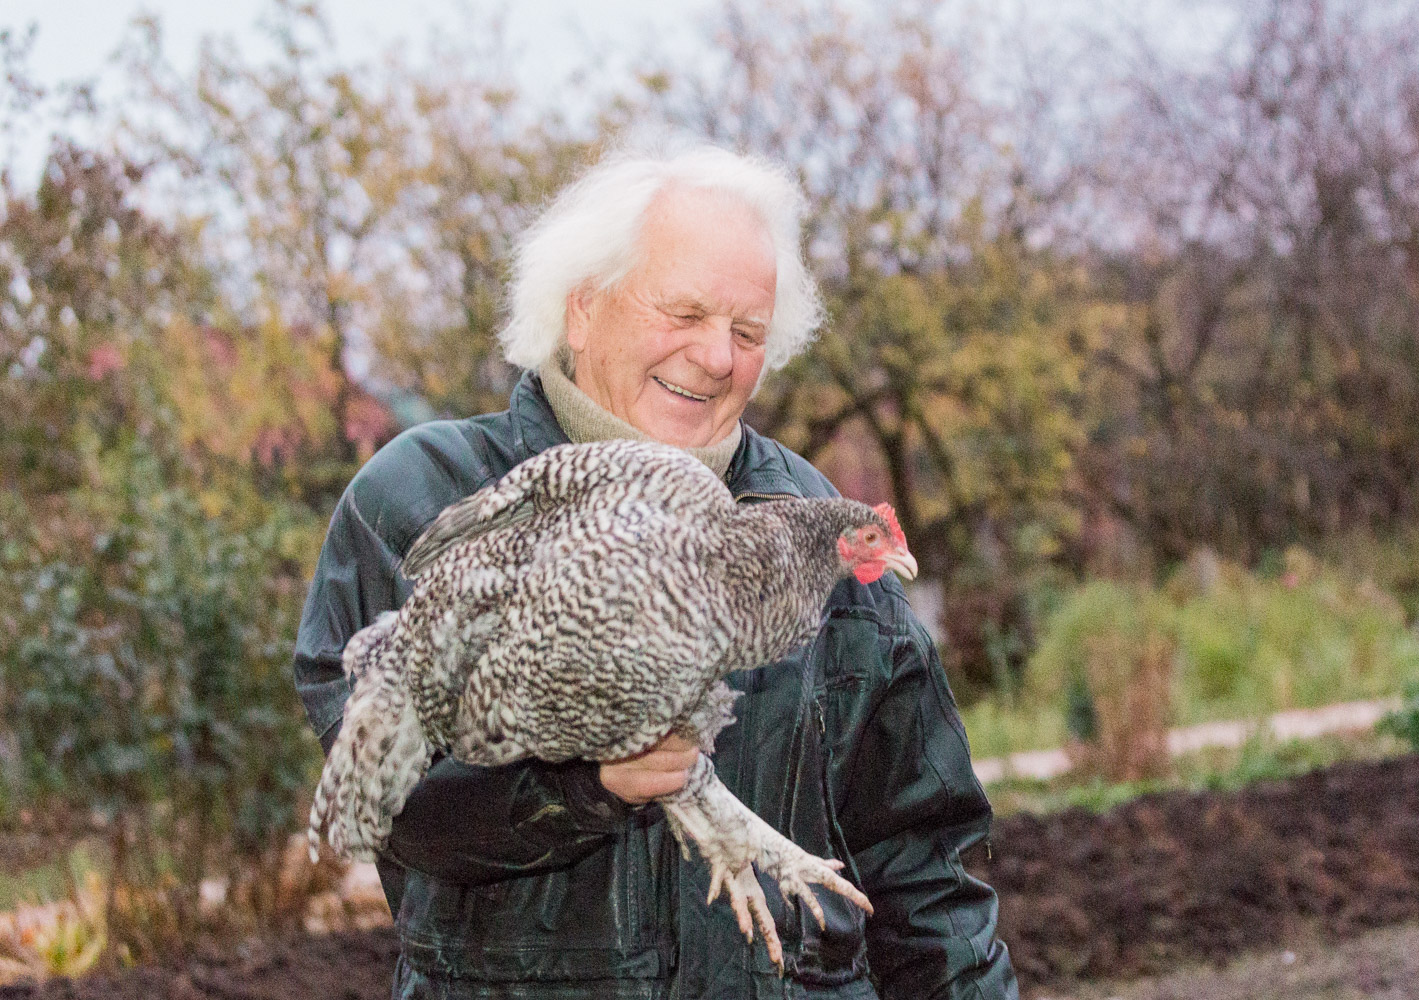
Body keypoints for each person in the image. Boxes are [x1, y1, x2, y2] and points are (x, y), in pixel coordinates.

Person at [293, 144, 1019, 1000]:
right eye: (684, 312)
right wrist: (579, 787)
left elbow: (923, 867)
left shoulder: (817, 525)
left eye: (747, 332)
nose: (717, 356)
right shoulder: (425, 496)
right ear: (582, 310)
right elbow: (391, 802)